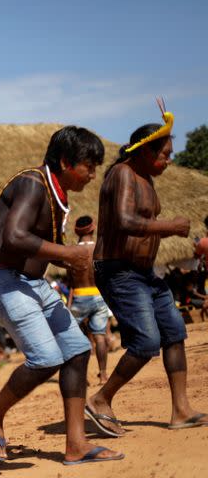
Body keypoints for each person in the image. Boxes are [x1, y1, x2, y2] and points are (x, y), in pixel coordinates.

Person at [0, 126, 123, 465]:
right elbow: (13, 237)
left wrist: (78, 254)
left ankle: (76, 444)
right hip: (2, 278)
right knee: (45, 357)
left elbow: (42, 250)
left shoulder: (57, 195)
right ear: (67, 162)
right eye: (89, 166)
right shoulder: (32, 183)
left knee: (77, 351)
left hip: (31, 282)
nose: (92, 174)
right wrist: (70, 254)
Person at [87, 101, 207, 435]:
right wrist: (169, 226)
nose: (169, 159)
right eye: (165, 153)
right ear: (143, 152)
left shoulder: (145, 179)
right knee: (145, 341)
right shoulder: (122, 173)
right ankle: (100, 399)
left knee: (174, 333)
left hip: (143, 273)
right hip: (118, 270)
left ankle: (181, 410)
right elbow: (125, 221)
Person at [67, 216, 112, 385]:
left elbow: (70, 282)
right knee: (100, 336)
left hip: (79, 295)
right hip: (99, 295)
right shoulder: (100, 249)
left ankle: (81, 377)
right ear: (93, 229)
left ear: (77, 231)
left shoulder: (71, 252)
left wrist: (69, 304)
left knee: (75, 337)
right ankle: (103, 374)